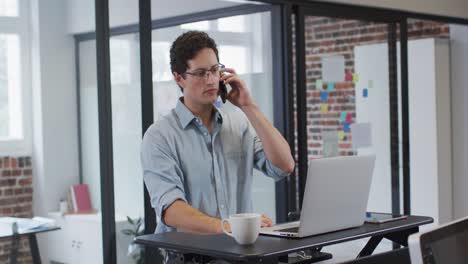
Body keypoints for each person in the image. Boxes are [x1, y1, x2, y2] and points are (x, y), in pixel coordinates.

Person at [141, 31, 295, 262]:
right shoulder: (160, 136)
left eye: (215, 70)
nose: (211, 80)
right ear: (179, 78)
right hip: (190, 259)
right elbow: (171, 210)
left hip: (240, 255)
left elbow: (284, 166)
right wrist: (228, 226)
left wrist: (249, 106)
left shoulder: (239, 123)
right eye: (201, 73)